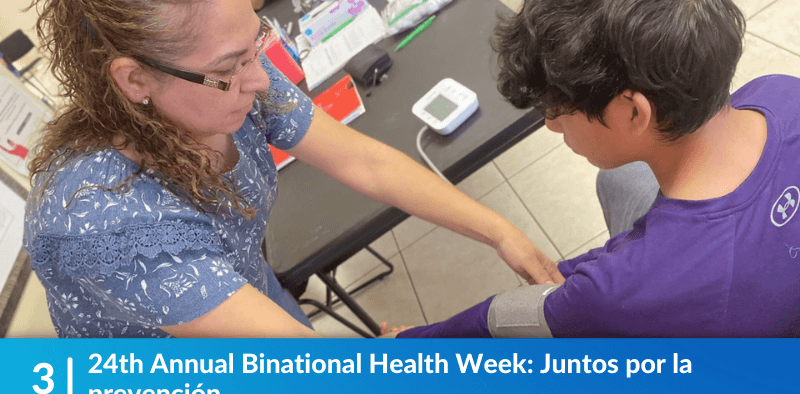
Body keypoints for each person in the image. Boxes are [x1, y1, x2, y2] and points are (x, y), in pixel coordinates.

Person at [23, 0, 562, 338]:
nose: (259, 80)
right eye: (229, 67)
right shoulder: (97, 220)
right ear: (135, 80)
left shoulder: (226, 84)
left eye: (252, 48)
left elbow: (365, 161)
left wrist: (500, 231)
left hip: (249, 289)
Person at [394, 0, 800, 338]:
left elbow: (495, 323)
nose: (551, 124)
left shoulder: (620, 292)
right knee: (619, 180)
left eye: (557, 107)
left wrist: (408, 343)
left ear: (632, 111)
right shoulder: (781, 91)